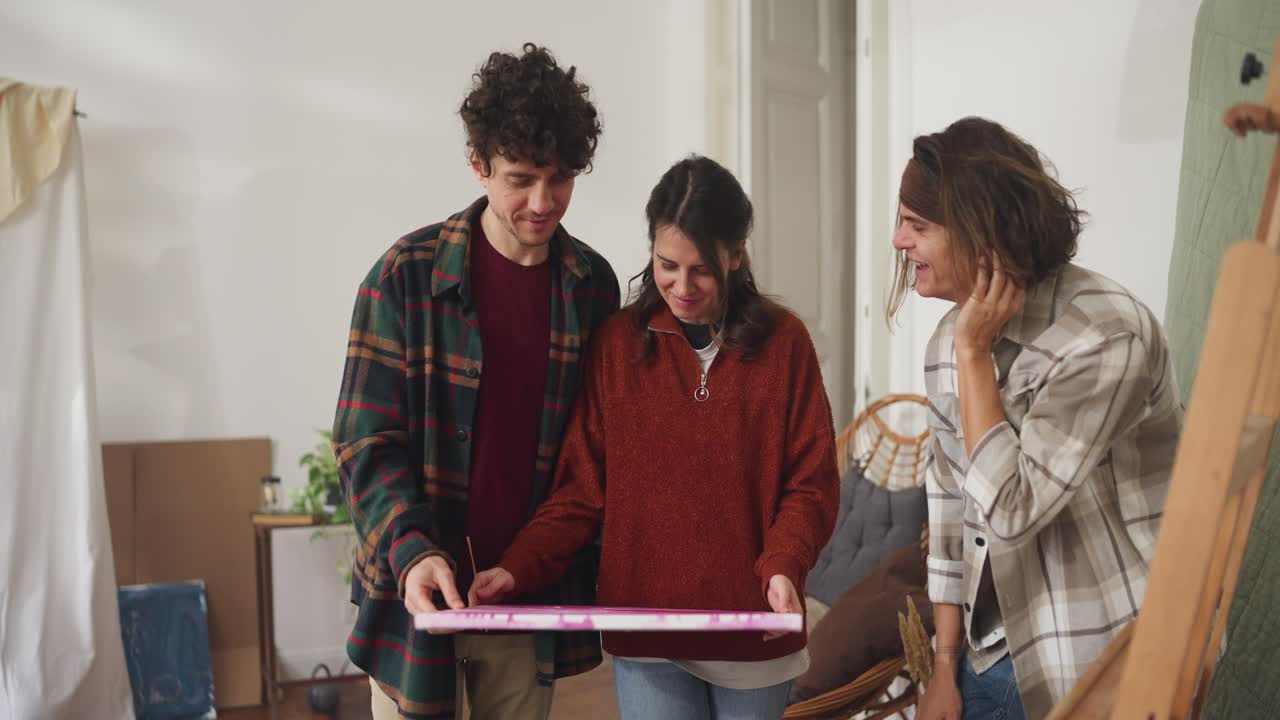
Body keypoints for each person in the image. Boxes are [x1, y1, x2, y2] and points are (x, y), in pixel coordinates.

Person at [470, 154, 840, 720]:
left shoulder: (784, 344)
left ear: (737, 256)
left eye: (703, 270)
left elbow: (810, 484)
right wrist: (517, 566)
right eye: (667, 264)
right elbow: (580, 491)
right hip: (647, 637)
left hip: (754, 637)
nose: (682, 287)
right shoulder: (617, 346)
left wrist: (785, 565)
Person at [331, 43, 620, 720]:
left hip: (532, 602)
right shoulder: (404, 276)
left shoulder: (593, 289)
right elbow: (365, 443)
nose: (543, 203)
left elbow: (597, 460)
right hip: (417, 601)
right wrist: (412, 553)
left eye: (560, 179)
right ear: (478, 166)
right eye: (521, 179)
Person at [891, 117, 1184, 719]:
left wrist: (974, 356)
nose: (898, 242)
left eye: (917, 226)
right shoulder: (949, 340)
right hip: (992, 652)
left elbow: (1011, 510)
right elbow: (950, 508)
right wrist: (944, 668)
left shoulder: (1102, 334)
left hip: (1107, 653)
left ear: (981, 234)